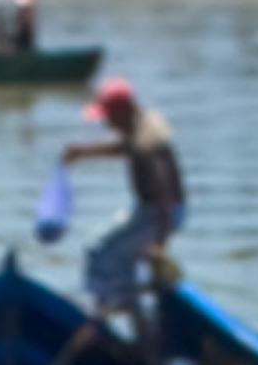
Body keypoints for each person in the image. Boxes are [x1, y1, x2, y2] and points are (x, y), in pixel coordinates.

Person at [57, 74, 184, 309]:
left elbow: (164, 186)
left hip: (160, 213)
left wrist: (161, 243)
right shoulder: (139, 126)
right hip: (150, 210)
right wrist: (82, 152)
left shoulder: (147, 139)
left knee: (102, 253)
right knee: (107, 252)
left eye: (108, 117)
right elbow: (122, 148)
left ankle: (120, 315)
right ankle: (119, 309)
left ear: (122, 112)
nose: (106, 123)